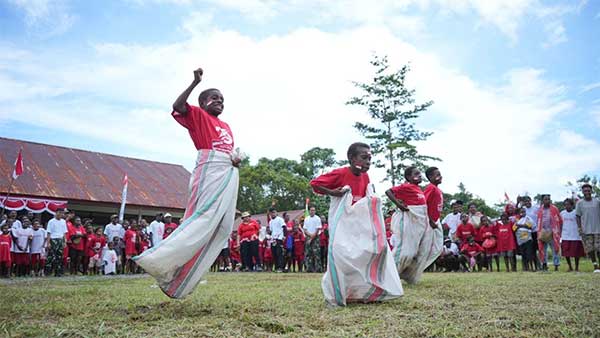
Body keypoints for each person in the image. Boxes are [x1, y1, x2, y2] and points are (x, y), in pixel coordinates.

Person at [134, 68, 242, 297]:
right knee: (201, 219)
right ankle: (158, 260)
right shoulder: (197, 115)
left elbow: (225, 151)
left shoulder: (228, 127)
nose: (220, 102)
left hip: (227, 172)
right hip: (208, 171)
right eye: (214, 98)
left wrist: (235, 161)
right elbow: (177, 105)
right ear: (202, 103)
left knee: (222, 228)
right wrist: (194, 83)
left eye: (222, 99)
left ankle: (181, 278)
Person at [311, 142, 403, 306]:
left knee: (366, 252)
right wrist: (334, 192)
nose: (368, 161)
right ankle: (336, 293)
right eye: (364, 157)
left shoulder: (365, 176)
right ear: (352, 158)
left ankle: (364, 291)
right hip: (342, 224)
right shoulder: (341, 173)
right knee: (341, 255)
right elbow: (315, 184)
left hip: (358, 224)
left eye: (370, 158)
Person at [386, 166, 442, 283]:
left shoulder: (418, 189)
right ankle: (388, 276)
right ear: (408, 177)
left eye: (420, 174)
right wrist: (399, 204)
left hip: (419, 224)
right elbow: (389, 192)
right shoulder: (407, 186)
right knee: (405, 251)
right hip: (409, 221)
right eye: (416, 174)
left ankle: (408, 275)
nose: (419, 176)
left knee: (417, 252)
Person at [575, 184, 600, 273]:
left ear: (591, 191)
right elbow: (577, 216)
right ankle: (595, 265)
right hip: (586, 230)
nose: (587, 192)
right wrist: (579, 228)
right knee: (590, 249)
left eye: (588, 190)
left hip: (598, 229)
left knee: (598, 248)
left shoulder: (597, 201)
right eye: (585, 191)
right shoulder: (580, 203)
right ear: (582, 192)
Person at [536, 194, 562, 272]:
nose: (547, 201)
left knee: (555, 249)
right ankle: (544, 264)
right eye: (545, 199)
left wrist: (558, 230)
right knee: (543, 249)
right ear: (542, 201)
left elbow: (559, 220)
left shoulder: (554, 209)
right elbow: (538, 220)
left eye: (548, 199)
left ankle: (556, 265)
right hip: (543, 232)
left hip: (553, 232)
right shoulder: (540, 210)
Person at [561, 198, 585, 272]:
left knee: (576, 253)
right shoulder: (562, 213)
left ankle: (577, 267)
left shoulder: (576, 213)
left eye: (568, 204)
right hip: (565, 235)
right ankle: (570, 267)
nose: (567, 206)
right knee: (566, 252)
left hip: (575, 235)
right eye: (565, 205)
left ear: (572, 205)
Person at [45, 208, 68, 277]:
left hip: (60, 240)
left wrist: (65, 241)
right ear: (56, 212)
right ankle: (47, 272)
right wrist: (48, 243)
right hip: (53, 240)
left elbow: (64, 232)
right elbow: (49, 232)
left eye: (62, 213)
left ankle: (58, 273)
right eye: (59, 212)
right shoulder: (51, 221)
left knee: (59, 257)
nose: (61, 214)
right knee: (51, 257)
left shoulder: (63, 221)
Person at [303, 206, 322, 273]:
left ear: (315, 211)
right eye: (311, 210)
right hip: (308, 236)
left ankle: (318, 268)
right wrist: (309, 236)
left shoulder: (317, 218)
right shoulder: (306, 219)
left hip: (315, 237)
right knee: (308, 254)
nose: (312, 211)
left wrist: (312, 237)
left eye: (313, 210)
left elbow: (318, 229)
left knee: (316, 254)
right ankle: (309, 268)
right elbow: (305, 229)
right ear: (309, 211)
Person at [268, 208, 286, 273]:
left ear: (276, 212)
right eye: (271, 213)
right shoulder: (270, 222)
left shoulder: (280, 219)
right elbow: (271, 231)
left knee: (279, 253)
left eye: (274, 212)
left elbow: (284, 227)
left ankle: (281, 267)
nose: (273, 214)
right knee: (274, 253)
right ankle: (276, 267)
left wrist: (284, 236)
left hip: (279, 238)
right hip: (273, 239)